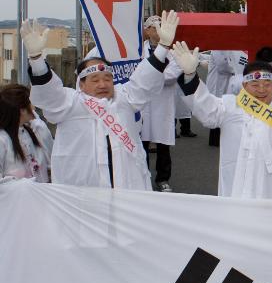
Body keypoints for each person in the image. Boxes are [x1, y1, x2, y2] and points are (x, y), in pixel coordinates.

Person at [22, 12, 179, 190]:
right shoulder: (70, 103)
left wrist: (163, 46)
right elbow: (49, 93)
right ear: (81, 84)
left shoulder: (124, 98)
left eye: (107, 78)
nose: (102, 84)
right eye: (95, 80)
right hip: (83, 196)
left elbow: (145, 78)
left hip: (126, 190)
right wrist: (36, 59)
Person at [172, 41, 272, 200]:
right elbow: (203, 106)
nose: (261, 89)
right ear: (244, 85)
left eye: (267, 84)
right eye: (255, 84)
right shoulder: (229, 106)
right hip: (238, 191)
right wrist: (190, 74)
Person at [140, 15, 182, 192]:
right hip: (142, 102)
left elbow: (173, 74)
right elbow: (135, 73)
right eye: (155, 27)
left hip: (162, 103)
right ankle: (141, 176)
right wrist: (154, 77)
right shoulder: (137, 51)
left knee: (164, 143)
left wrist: (151, 77)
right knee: (140, 142)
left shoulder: (172, 54)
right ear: (147, 30)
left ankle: (163, 178)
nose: (158, 31)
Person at [0, 84, 53, 183]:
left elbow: (51, 159)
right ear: (22, 110)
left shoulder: (34, 130)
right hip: (16, 197)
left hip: (40, 195)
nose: (33, 106)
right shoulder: (3, 139)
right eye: (30, 101)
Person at [205, 49, 247, 146]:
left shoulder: (230, 48)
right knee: (216, 111)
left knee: (226, 110)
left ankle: (223, 137)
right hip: (218, 83)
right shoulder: (217, 49)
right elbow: (222, 66)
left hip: (228, 82)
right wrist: (237, 69)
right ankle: (215, 140)